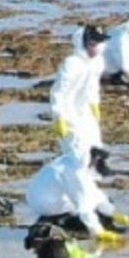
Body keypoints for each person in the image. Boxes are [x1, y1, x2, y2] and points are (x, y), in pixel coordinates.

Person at [26, 135, 129, 240]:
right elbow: (84, 206)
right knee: (92, 214)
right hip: (48, 205)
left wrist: (112, 212)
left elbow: (93, 192)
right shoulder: (74, 173)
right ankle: (55, 221)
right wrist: (98, 232)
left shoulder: (73, 162)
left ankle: (59, 219)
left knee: (102, 205)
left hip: (46, 197)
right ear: (91, 158)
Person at [49, 24, 108, 161]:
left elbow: (93, 87)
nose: (97, 47)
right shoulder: (72, 64)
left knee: (96, 149)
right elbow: (58, 92)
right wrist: (59, 117)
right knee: (77, 154)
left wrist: (95, 105)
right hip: (68, 114)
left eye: (99, 42)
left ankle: (94, 179)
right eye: (93, 43)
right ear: (83, 43)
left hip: (85, 112)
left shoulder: (97, 63)